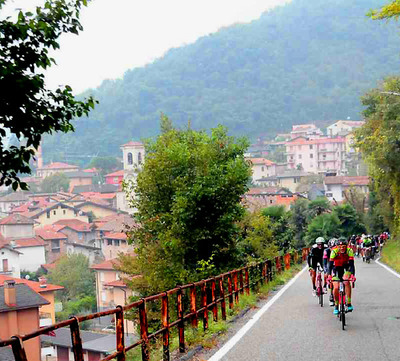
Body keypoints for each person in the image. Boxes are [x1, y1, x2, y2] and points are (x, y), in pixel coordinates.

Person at [328, 238, 356, 314]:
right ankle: (336, 305)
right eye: (340, 247)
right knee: (336, 287)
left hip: (346, 267)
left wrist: (353, 275)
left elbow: (352, 265)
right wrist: (329, 275)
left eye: (344, 246)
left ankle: (349, 302)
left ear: (346, 246)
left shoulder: (349, 251)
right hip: (336, 268)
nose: (342, 248)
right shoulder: (334, 251)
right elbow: (330, 265)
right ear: (337, 246)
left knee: (346, 281)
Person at [324, 238, 336, 306]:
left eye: (334, 247)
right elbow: (325, 263)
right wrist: (326, 271)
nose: (332, 249)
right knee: (330, 279)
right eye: (331, 247)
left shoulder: (339, 251)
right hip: (330, 265)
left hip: (337, 265)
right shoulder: (326, 251)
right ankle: (331, 295)